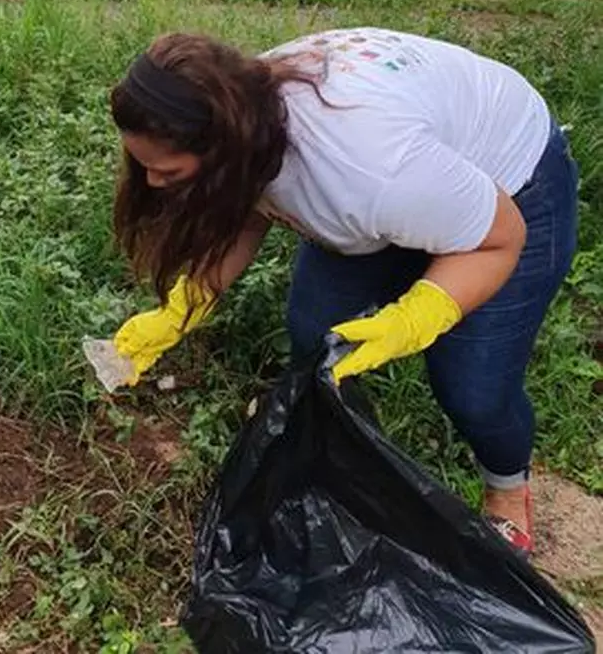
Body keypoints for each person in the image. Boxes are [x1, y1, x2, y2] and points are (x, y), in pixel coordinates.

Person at [107, 28, 578, 557]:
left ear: (223, 148)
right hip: (407, 185)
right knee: (316, 333)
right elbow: (246, 208)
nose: (152, 182)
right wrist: (185, 303)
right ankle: (335, 451)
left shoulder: (366, 170)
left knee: (474, 389)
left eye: (165, 170)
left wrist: (415, 317)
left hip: (509, 191)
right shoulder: (239, 115)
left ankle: (507, 492)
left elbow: (501, 238)